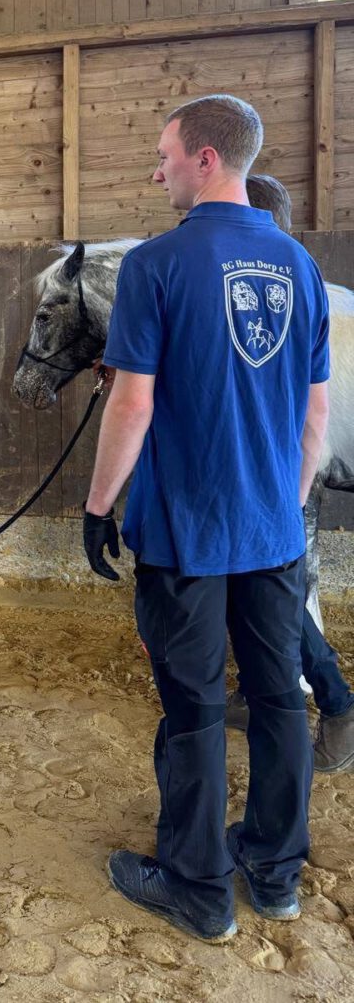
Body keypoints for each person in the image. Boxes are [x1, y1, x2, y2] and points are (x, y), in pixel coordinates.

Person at [82, 95, 330, 942]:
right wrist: (283, 509)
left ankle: (198, 887)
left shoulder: (155, 264)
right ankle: (274, 870)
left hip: (187, 531)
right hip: (272, 530)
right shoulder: (300, 266)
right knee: (277, 700)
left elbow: (131, 405)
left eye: (165, 156)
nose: (158, 171)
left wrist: (96, 503)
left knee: (191, 706)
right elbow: (315, 418)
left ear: (206, 159)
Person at [229, 174, 354, 769]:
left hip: (271, 469)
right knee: (272, 583)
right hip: (279, 469)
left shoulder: (274, 292)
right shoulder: (309, 286)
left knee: (271, 584)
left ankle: (329, 701)